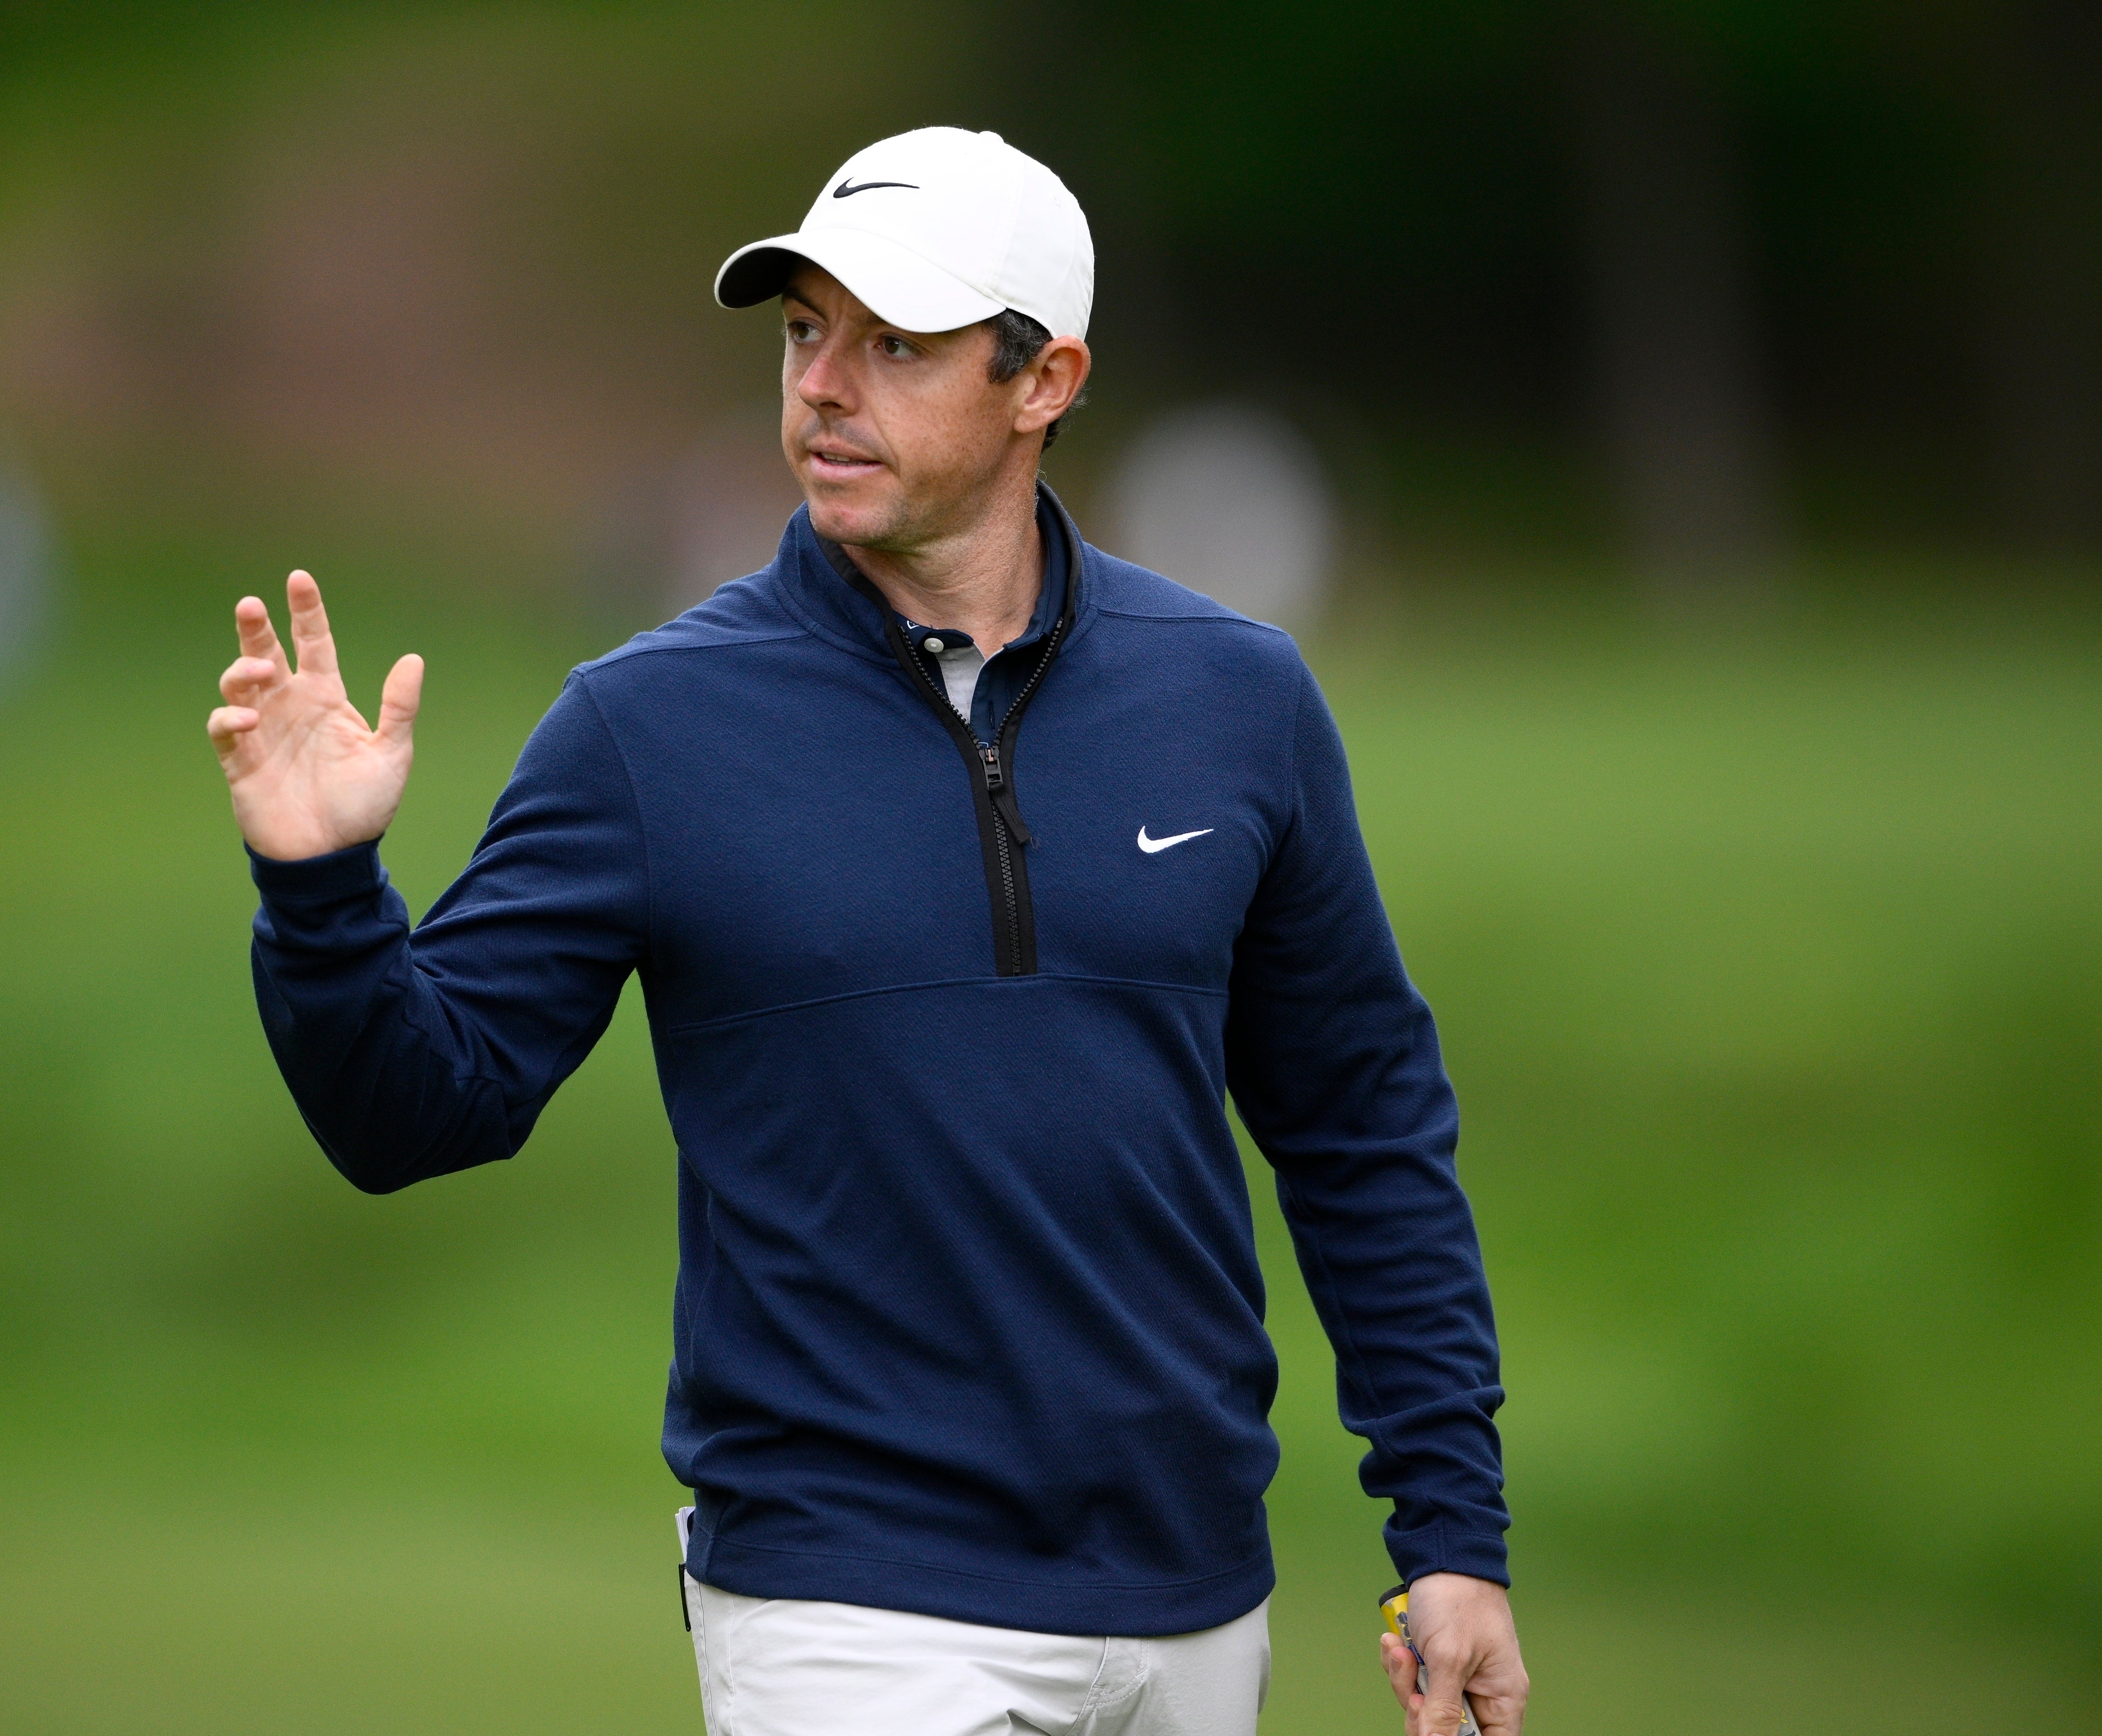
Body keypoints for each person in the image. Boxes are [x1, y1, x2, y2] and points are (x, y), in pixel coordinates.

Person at [206, 126, 1526, 1736]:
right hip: (847, 1606)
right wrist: (325, 890)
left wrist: (1450, 1527)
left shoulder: (1235, 697)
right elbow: (417, 1112)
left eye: (896, 346)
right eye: (803, 334)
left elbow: (1359, 1120)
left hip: (1193, 1596)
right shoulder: (649, 723)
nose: (825, 387)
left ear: (1042, 380)